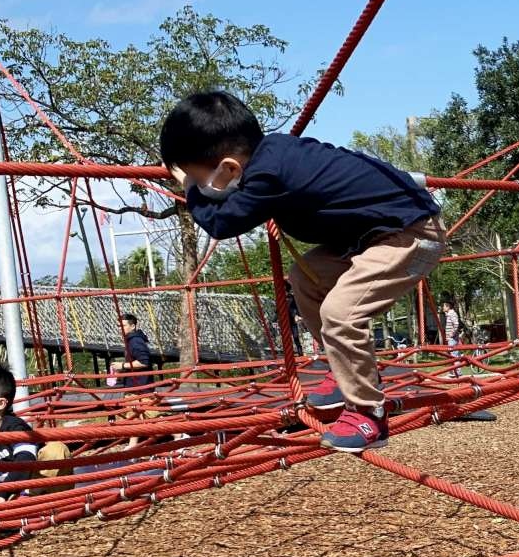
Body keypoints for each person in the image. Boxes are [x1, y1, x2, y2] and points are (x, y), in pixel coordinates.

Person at [160, 91, 444, 453]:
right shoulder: (277, 151)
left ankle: (369, 414)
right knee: (305, 277)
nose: (201, 185)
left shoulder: (269, 175)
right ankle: (343, 374)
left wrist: (189, 188)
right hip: (367, 238)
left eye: (202, 178)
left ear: (230, 168)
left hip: (411, 235)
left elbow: (220, 222)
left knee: (341, 314)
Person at [0, 366, 71, 503]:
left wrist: (2, 494)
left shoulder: (15, 427)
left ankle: (33, 500)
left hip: (26, 486)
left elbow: (25, 459)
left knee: (56, 450)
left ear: (0, 404)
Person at [117, 314, 154, 388]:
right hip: (135, 386)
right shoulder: (130, 340)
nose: (120, 329)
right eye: (118, 326)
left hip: (140, 388)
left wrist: (122, 365)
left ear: (132, 326)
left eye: (123, 326)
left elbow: (144, 362)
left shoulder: (135, 341)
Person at [441, 293, 462, 378]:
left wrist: (451, 335)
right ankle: (452, 371)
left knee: (454, 355)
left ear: (448, 306)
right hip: (451, 338)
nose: (443, 308)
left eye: (444, 306)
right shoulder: (449, 314)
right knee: (451, 355)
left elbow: (456, 324)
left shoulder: (452, 314)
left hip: (452, 338)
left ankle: (457, 372)